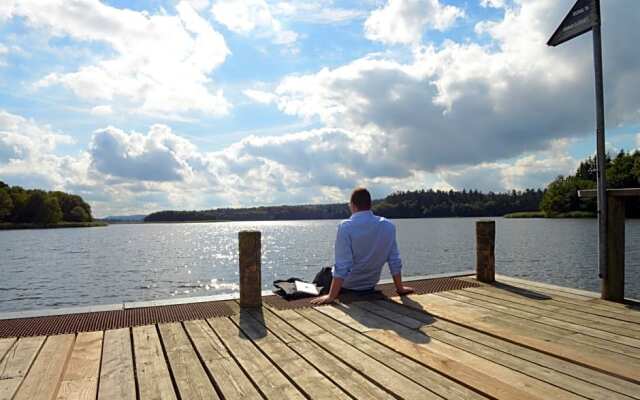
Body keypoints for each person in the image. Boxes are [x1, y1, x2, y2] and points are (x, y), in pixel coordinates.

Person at [311, 187, 414, 305]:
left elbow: (343, 265)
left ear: (353, 205)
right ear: (370, 205)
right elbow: (394, 260)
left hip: (347, 285)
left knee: (323, 274)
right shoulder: (387, 226)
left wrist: (331, 296)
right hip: (369, 285)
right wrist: (400, 288)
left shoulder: (346, 227)